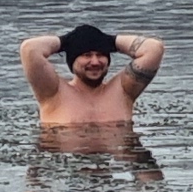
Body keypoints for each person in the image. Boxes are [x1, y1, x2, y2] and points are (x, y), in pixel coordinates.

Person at [22, 22, 163, 130]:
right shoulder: (53, 92)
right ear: (73, 60)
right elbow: (30, 49)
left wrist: (110, 41)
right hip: (67, 164)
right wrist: (66, 42)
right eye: (86, 55)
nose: (95, 62)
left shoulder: (123, 91)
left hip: (116, 164)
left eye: (101, 54)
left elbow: (154, 48)